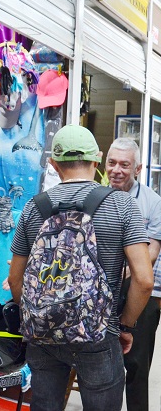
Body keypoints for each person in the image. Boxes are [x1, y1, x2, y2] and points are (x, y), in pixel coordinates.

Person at [8, 125, 153, 411]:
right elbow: (144, 280)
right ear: (97, 160)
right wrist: (124, 324)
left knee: (45, 405)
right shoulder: (123, 205)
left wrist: (41, 315)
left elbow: (15, 280)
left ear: (53, 163)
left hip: (43, 336)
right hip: (99, 333)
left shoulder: (32, 208)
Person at [107, 137, 161, 411]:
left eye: (124, 165)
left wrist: (123, 269)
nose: (116, 170)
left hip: (138, 288)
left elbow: (151, 251)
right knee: (102, 364)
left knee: (137, 366)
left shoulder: (153, 202)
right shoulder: (97, 197)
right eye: (111, 163)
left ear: (137, 169)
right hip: (102, 289)